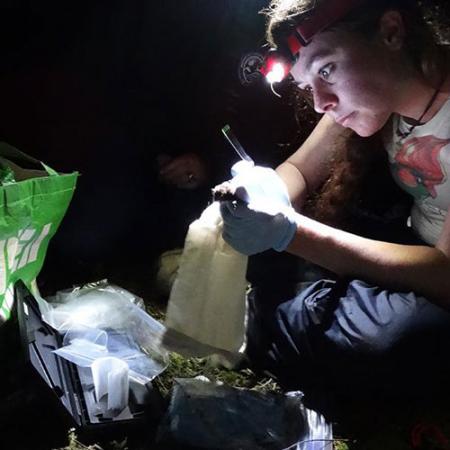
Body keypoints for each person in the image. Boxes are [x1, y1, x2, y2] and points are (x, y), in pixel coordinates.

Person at [219, 0, 450, 398]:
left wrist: (288, 232)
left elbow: (444, 273)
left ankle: (283, 316)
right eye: (309, 86)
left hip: (440, 273)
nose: (320, 101)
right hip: (416, 245)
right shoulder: (378, 94)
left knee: (393, 340)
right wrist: (265, 194)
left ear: (391, 32)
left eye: (326, 70)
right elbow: (300, 170)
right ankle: (295, 315)